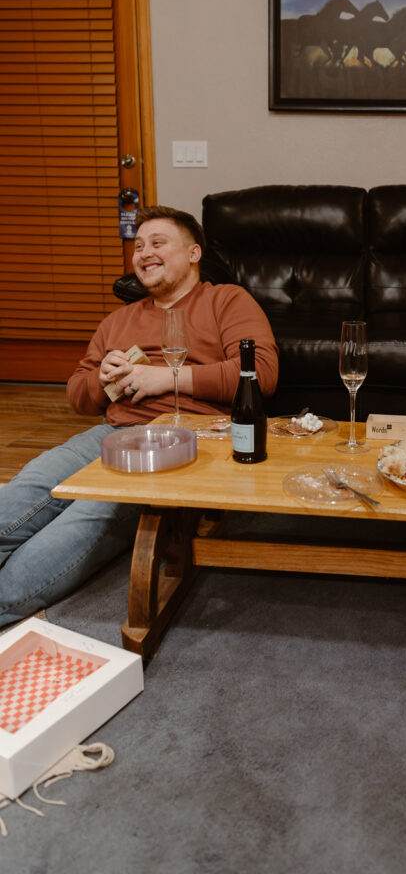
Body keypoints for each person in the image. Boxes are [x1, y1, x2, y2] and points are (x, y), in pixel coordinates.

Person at [0, 205, 278, 626]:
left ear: (193, 253)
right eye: (139, 245)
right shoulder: (118, 320)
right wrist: (101, 377)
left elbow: (261, 374)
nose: (144, 252)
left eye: (158, 243)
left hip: (187, 440)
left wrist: (165, 378)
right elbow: (77, 396)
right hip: (110, 434)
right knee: (25, 490)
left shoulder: (226, 300)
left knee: (79, 524)